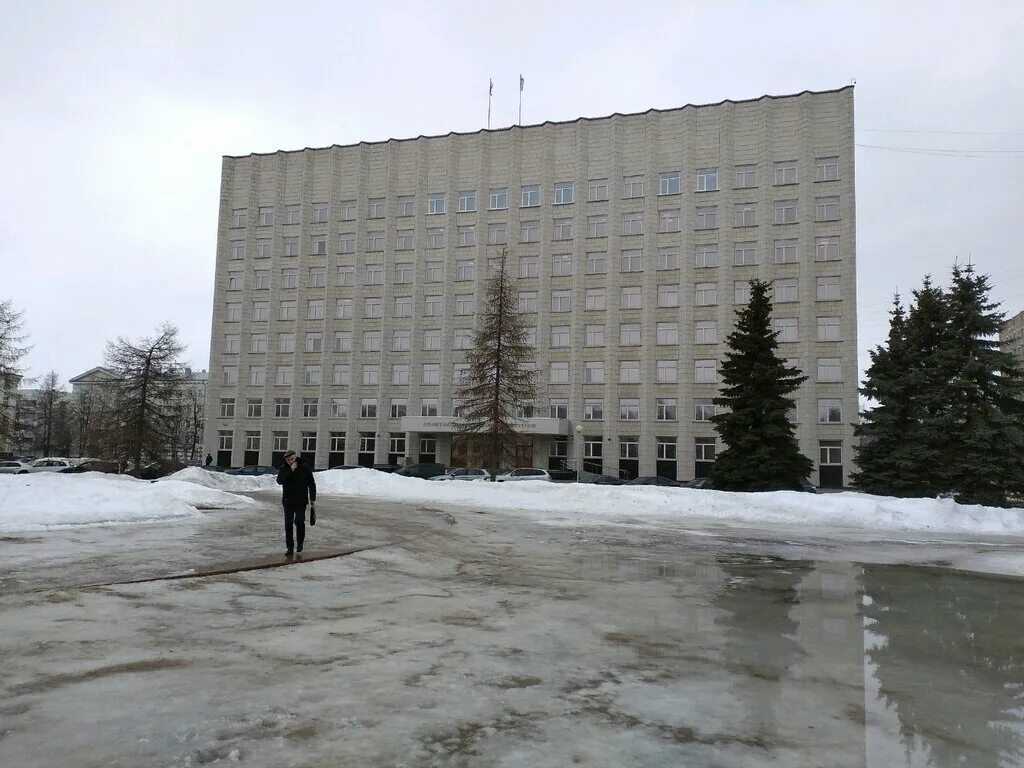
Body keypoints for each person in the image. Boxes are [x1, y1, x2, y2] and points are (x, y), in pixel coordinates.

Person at [276, 450, 316, 557]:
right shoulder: (284, 468)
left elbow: (311, 483)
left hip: (301, 501)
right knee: (288, 525)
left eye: (292, 459)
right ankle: (290, 548)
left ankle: (300, 543)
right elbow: (279, 481)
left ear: (295, 457)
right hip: (288, 501)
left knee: (299, 521)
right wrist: (290, 471)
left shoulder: (304, 467)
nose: (290, 461)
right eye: (288, 460)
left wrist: (312, 498)